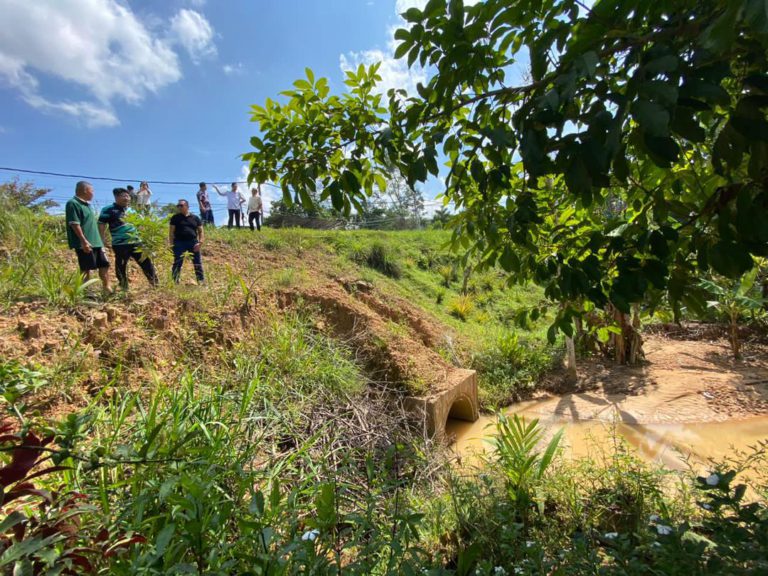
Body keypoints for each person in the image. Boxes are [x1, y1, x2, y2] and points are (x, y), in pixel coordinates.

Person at [98, 188, 158, 290]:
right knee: (121, 266)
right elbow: (101, 225)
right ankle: (124, 287)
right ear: (116, 197)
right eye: (124, 196)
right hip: (120, 244)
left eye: (128, 196)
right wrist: (102, 240)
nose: (127, 198)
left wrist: (145, 239)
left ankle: (155, 285)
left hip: (136, 242)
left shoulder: (132, 210)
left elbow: (140, 225)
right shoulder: (108, 209)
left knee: (146, 263)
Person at [65, 181, 112, 293]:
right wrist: (84, 241)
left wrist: (101, 242)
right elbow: (74, 224)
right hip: (85, 243)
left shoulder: (87, 205)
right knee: (86, 268)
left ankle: (107, 288)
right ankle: (87, 292)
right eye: (92, 191)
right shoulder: (73, 203)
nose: (93, 193)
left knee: (104, 265)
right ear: (85, 190)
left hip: (97, 243)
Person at [169, 199, 205, 283]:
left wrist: (200, 242)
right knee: (177, 262)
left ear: (187, 206)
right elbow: (171, 232)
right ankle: (175, 282)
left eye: (181, 205)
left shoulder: (195, 218)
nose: (179, 207)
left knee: (197, 262)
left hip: (193, 242)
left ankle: (201, 281)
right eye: (178, 206)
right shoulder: (175, 218)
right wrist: (171, 244)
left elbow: (201, 231)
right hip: (179, 243)